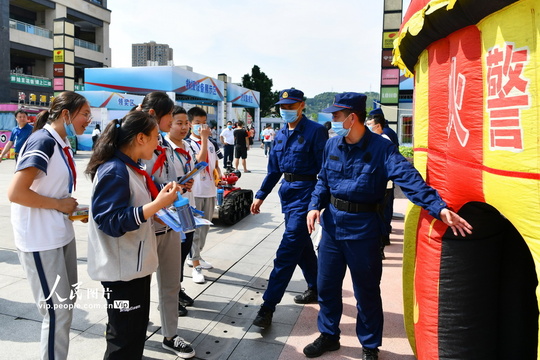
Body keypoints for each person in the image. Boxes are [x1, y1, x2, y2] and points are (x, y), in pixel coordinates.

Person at [303, 92, 473, 360]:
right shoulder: (331, 146)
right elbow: (323, 180)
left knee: (367, 291)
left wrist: (439, 208)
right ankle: (329, 335)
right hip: (333, 227)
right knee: (326, 286)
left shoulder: (382, 149)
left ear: (352, 117)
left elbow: (409, 179)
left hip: (364, 231)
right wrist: (314, 205)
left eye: (336, 116)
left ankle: (370, 345)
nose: (333, 121)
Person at [86, 111, 183, 360]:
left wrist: (158, 206)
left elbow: (133, 208)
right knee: (123, 340)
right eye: (155, 137)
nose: (158, 143)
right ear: (140, 138)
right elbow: (110, 221)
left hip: (133, 266)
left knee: (133, 334)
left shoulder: (129, 167)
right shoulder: (115, 171)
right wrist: (156, 205)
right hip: (122, 273)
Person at [7, 91, 91, 360]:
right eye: (85, 114)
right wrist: (59, 205)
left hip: (59, 234)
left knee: (65, 305)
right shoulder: (43, 141)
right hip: (40, 239)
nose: (89, 120)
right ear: (66, 114)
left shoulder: (61, 142)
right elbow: (16, 193)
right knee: (57, 311)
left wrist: (71, 208)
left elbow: (52, 190)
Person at [250, 88, 329, 328]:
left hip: (306, 195)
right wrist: (261, 195)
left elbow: (324, 171)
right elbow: (274, 169)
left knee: (286, 252)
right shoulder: (280, 134)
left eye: (290, 106)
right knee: (302, 246)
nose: (286, 111)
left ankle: (267, 307)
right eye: (282, 107)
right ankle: (316, 288)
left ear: (302, 105)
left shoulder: (315, 132)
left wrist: (317, 203)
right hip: (287, 193)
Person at [139, 92, 196, 358]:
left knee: (171, 283)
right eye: (170, 116)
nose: (175, 121)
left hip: (170, 222)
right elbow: (139, 184)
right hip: (145, 224)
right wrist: (166, 190)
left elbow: (166, 177)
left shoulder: (165, 144)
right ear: (154, 114)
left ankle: (170, 334)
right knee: (136, 285)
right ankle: (123, 327)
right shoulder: (134, 141)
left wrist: (180, 184)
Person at [165, 105, 197, 316]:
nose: (184, 127)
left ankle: (177, 289)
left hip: (187, 205)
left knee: (184, 250)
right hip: (171, 208)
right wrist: (178, 184)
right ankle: (169, 297)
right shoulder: (163, 147)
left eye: (186, 123)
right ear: (169, 123)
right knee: (172, 255)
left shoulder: (187, 145)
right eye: (179, 122)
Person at [185, 106, 222, 284]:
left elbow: (213, 164)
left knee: (206, 228)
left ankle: (195, 256)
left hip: (209, 190)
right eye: (197, 123)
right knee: (195, 230)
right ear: (190, 125)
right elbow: (201, 161)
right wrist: (205, 139)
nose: (202, 127)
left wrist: (218, 174)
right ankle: (195, 264)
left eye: (204, 123)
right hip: (196, 192)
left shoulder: (211, 144)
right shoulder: (189, 144)